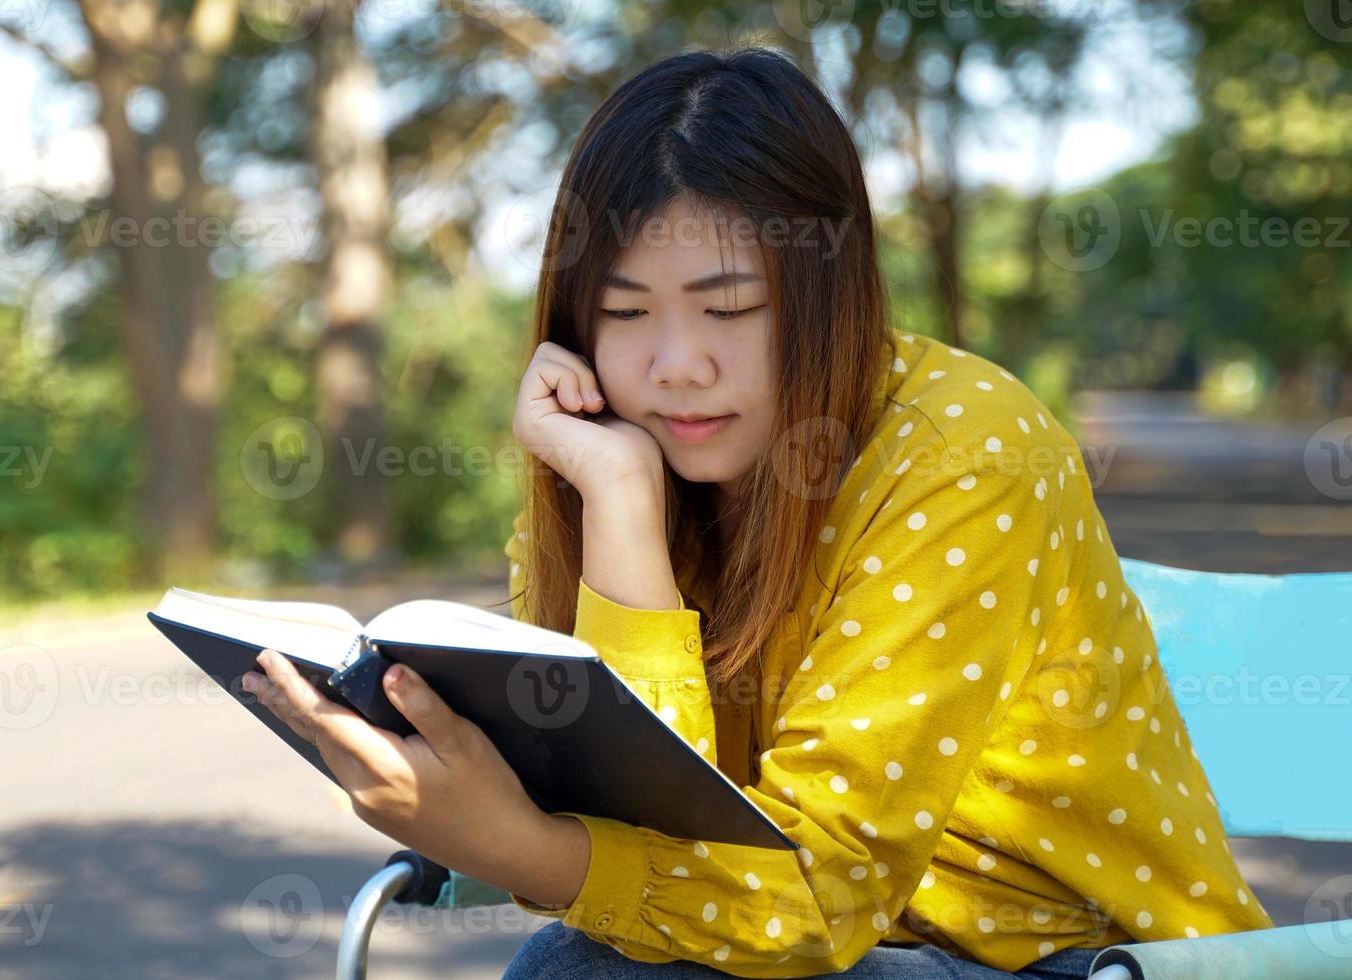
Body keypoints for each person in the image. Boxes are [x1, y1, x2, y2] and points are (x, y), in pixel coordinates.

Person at [496, 46, 1275, 978]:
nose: (677, 364)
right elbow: (635, 831)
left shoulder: (966, 455)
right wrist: (618, 500)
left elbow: (813, 901)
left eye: (730, 307)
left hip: (1086, 961)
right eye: (625, 315)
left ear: (829, 294)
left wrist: (520, 850)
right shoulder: (612, 461)